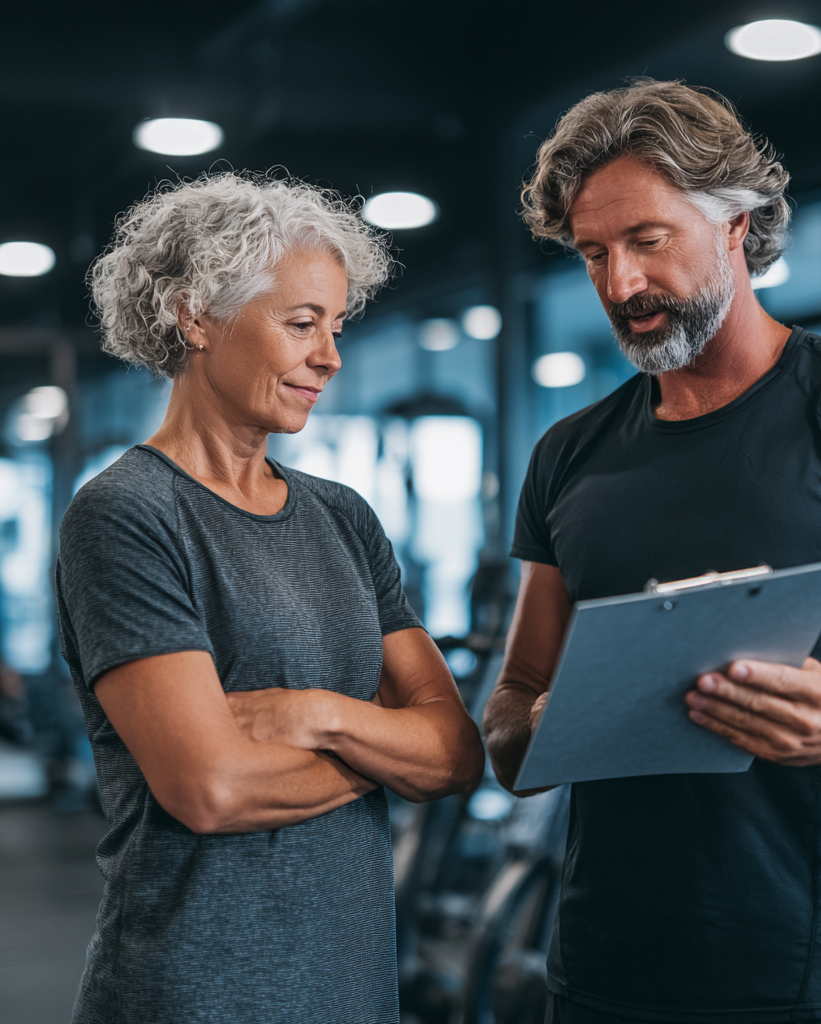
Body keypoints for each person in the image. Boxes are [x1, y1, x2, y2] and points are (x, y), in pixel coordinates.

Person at [483, 80, 821, 1024]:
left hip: (816, 982)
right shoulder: (568, 455)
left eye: (647, 241)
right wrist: (575, 713)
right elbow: (511, 733)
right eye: (593, 254)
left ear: (740, 222)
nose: (619, 286)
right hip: (604, 978)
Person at [58, 172, 484, 1024]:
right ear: (196, 317)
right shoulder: (126, 514)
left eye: (335, 326)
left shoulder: (342, 516)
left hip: (353, 984)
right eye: (300, 324)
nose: (329, 355)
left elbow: (455, 754)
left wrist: (316, 714)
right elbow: (211, 786)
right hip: (196, 990)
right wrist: (382, 755)